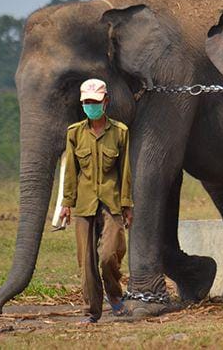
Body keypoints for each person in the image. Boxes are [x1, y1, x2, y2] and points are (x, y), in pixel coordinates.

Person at [59, 78, 133, 323]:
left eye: (95, 101)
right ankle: (91, 311)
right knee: (87, 262)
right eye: (87, 102)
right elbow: (71, 171)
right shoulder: (75, 133)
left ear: (106, 101)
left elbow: (125, 171)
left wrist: (127, 205)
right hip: (84, 203)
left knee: (109, 255)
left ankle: (114, 294)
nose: (91, 106)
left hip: (112, 202)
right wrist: (66, 204)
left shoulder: (120, 132)